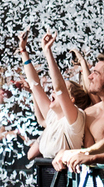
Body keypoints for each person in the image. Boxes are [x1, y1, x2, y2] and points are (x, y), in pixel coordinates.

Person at [52, 53, 104, 170]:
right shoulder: (89, 113)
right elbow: (87, 152)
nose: (90, 77)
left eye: (96, 73)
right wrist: (66, 152)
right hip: (96, 181)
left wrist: (70, 153)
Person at [19, 31, 90, 160]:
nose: (53, 91)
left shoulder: (74, 119)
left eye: (60, 92)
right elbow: (35, 85)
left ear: (71, 100)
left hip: (69, 178)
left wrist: (48, 52)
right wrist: (23, 50)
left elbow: (59, 89)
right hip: (48, 178)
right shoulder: (52, 117)